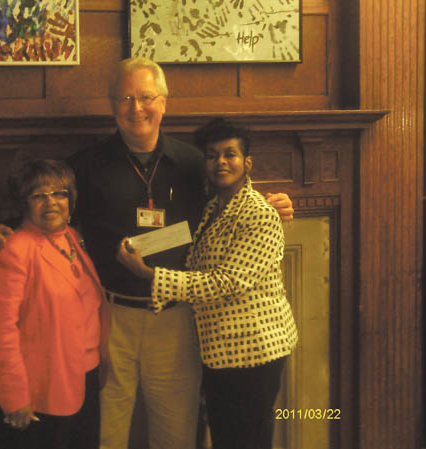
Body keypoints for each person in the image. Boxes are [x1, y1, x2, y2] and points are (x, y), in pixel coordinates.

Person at [0, 57, 295, 449]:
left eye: (146, 97)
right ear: (113, 104)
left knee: (176, 431)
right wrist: (3, 229)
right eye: (125, 97)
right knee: (107, 431)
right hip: (111, 319)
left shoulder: (194, 161)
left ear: (163, 102)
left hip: (175, 319)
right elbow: (50, 208)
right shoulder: (85, 165)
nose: (136, 108)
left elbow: (232, 194)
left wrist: (272, 200)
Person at [116, 118, 298, 449]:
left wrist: (150, 275)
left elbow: (226, 282)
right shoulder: (213, 207)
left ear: (248, 163)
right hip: (219, 352)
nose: (221, 162)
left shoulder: (258, 213)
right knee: (228, 436)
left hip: (253, 350)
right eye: (213, 156)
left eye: (230, 154)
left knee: (247, 440)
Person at [0, 159, 110, 449]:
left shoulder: (73, 238)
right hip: (34, 392)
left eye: (59, 193)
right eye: (39, 195)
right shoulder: (12, 251)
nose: (51, 202)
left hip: (79, 380)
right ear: (24, 203)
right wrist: (14, 397)